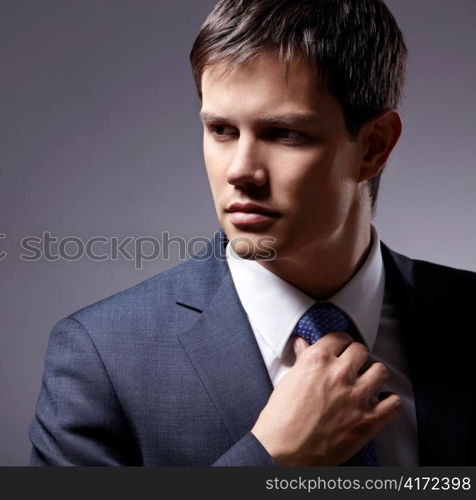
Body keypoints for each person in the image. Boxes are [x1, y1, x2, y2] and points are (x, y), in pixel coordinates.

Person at [27, 0, 476, 466]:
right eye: (221, 130)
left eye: (284, 133)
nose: (241, 172)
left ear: (374, 145)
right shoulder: (102, 356)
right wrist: (271, 460)